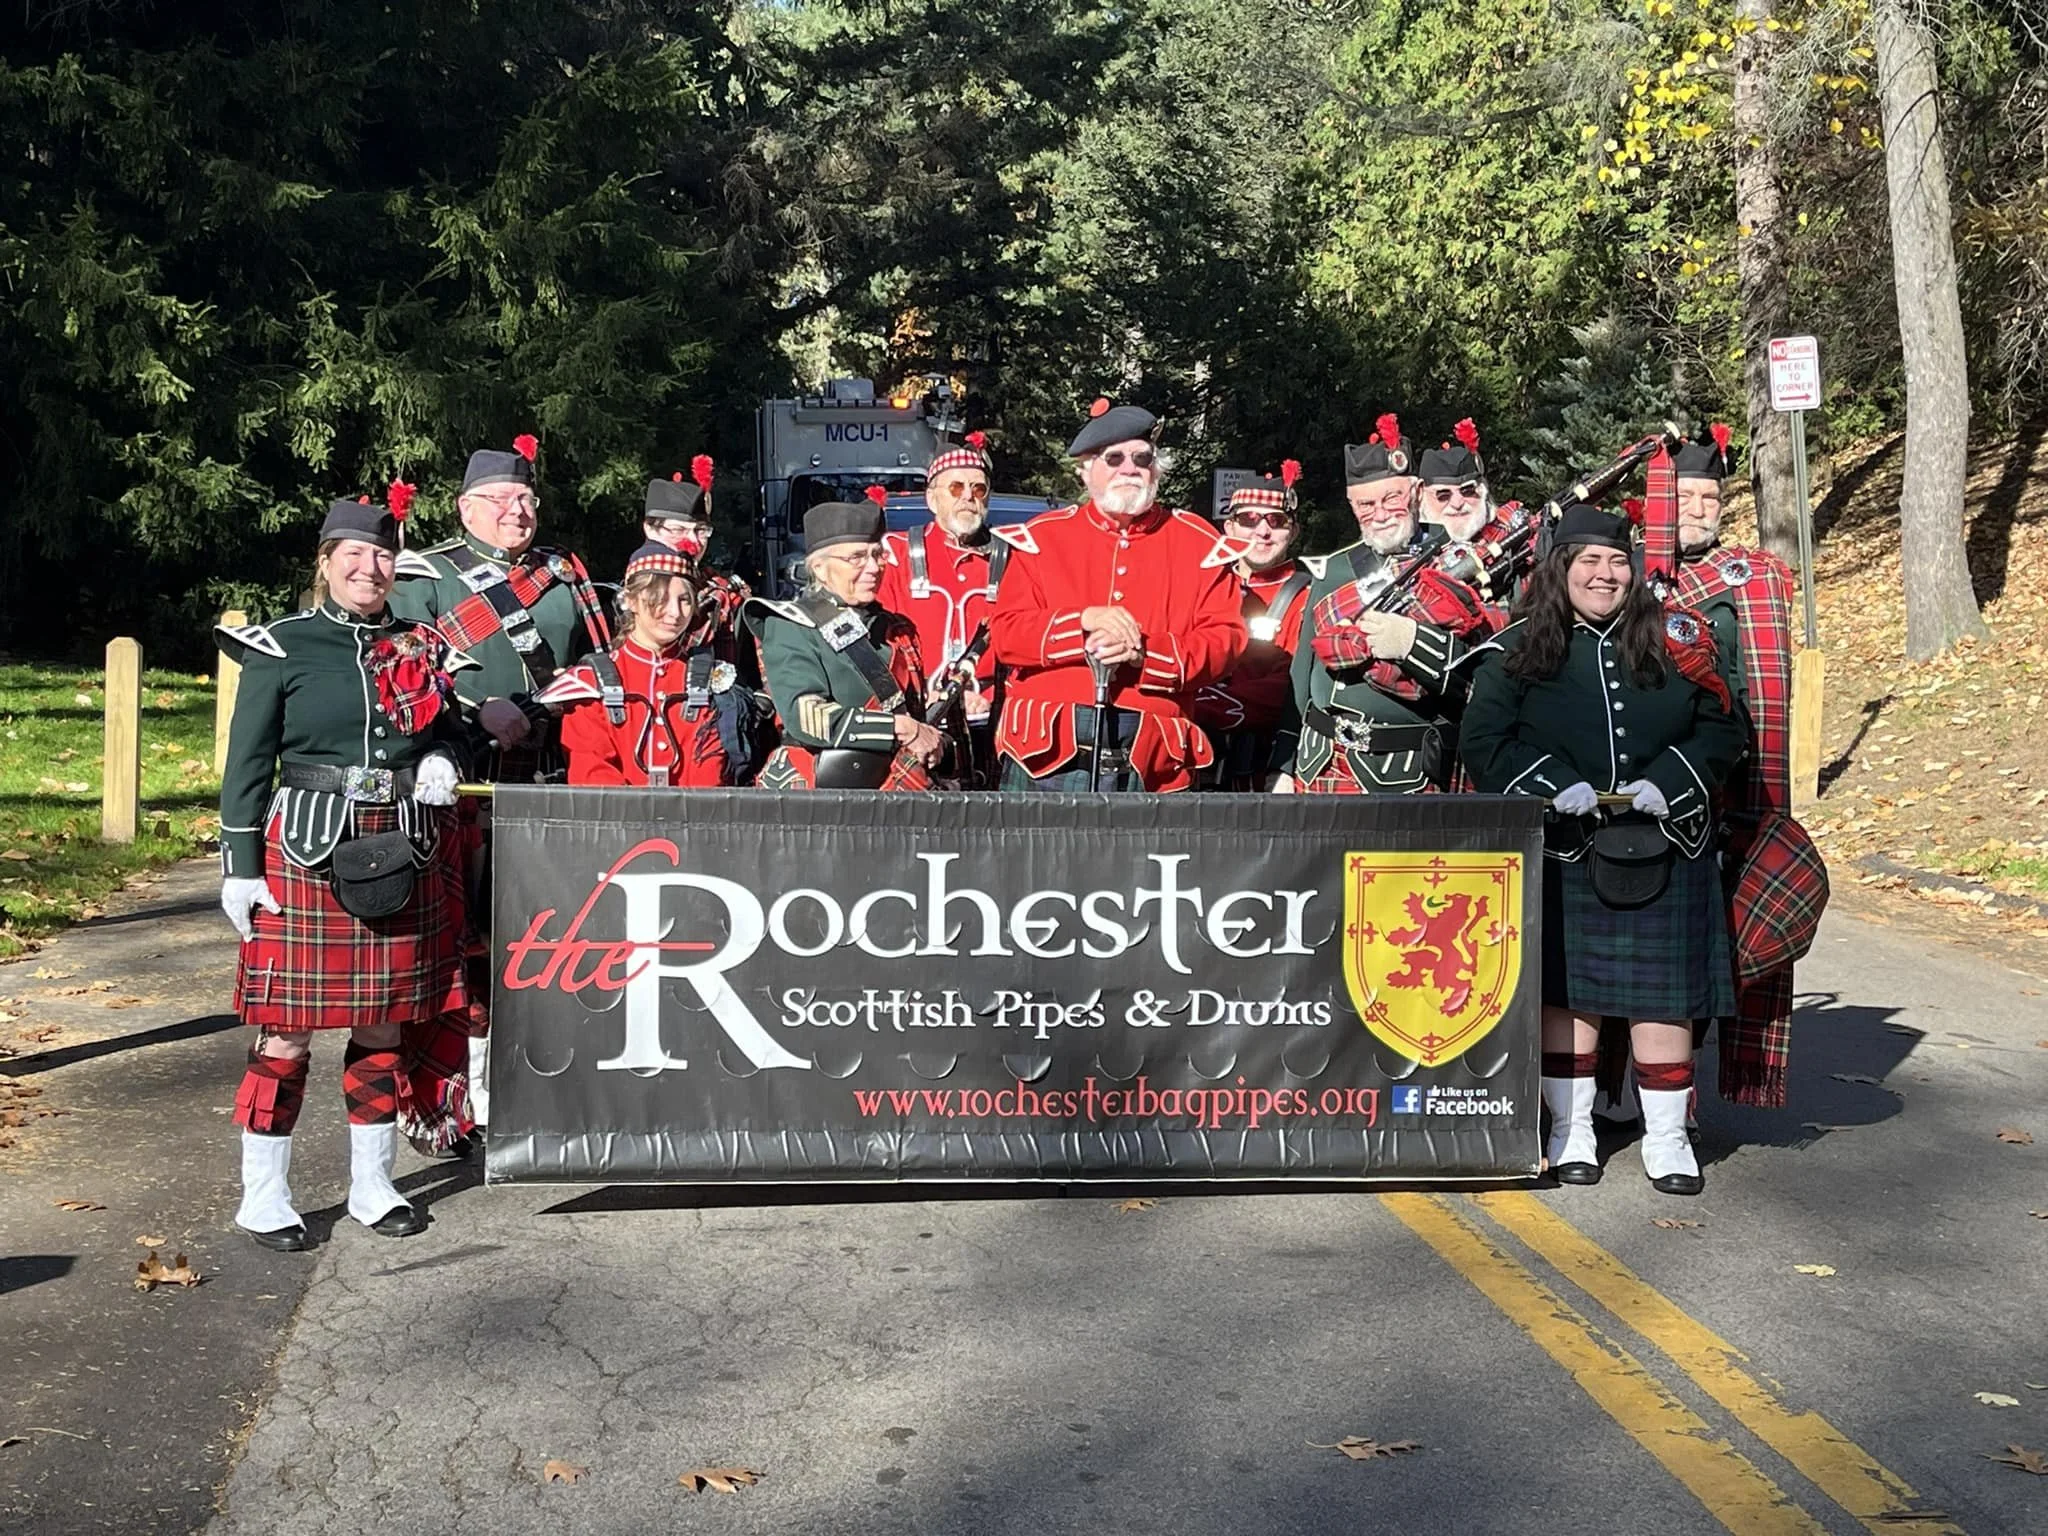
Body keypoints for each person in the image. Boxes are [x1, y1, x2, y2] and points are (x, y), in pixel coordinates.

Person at [1458, 503, 1746, 1195]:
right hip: (1567, 846)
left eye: (1617, 561)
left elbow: (1724, 728)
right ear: (1560, 568)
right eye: (1589, 560)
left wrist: (1672, 783)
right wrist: (1554, 787)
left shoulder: (1677, 637)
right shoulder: (1520, 646)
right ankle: (1570, 1131)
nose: (1604, 573)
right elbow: (1486, 742)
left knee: (1665, 1001)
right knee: (1567, 998)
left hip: (1668, 841)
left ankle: (1669, 1138)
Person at [216, 493, 472, 1249]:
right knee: (286, 1034)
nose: (370, 568)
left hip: (402, 845)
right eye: (353, 555)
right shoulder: (282, 646)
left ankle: (373, 1183)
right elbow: (248, 763)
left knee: (383, 1025)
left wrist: (440, 757)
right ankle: (263, 1195)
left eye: (383, 555)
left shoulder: (423, 644)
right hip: (304, 850)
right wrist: (240, 865)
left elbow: (453, 734)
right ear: (326, 563)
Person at [386, 434, 612, 1152]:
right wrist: (476, 711)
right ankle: (450, 1101)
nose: (519, 512)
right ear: (466, 509)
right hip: (464, 776)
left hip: (551, 774)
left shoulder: (563, 573)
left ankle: (526, 1091)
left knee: (542, 940)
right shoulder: (426, 575)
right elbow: (400, 668)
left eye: (527, 499)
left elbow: (599, 660)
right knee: (464, 945)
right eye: (503, 501)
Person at [1665, 423, 1817, 1111]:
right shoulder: (1618, 576)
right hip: (1641, 787)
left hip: (1723, 790)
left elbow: (1764, 689)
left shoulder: (1747, 579)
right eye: (1684, 496)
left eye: (1708, 497)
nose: (1697, 508)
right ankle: (1623, 1087)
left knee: (1705, 939)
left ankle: (1680, 1093)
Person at [988, 399, 1246, 791]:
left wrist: (1145, 653)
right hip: (1045, 745)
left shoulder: (1200, 544)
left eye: (1142, 458)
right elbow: (1006, 634)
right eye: (1114, 458)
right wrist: (1082, 622)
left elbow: (1224, 642)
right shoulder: (1042, 538)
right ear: (1086, 471)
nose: (1130, 469)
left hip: (1155, 749)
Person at [1278, 413, 1493, 794]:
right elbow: (1300, 678)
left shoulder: (1459, 561)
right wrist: (1282, 765)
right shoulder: (1334, 570)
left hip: (1410, 774)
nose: (1378, 514)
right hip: (1320, 765)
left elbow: (1482, 680)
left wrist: (1413, 643)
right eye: (1365, 504)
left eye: (1391, 499)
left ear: (1414, 493)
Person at [744, 495, 946, 789]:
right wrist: (898, 728)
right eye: (856, 558)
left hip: (898, 786)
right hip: (821, 791)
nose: (874, 567)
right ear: (820, 568)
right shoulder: (791, 624)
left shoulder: (897, 630)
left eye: (877, 554)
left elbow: (913, 714)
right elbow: (805, 715)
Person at [539, 542, 760, 787]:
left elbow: (711, 775)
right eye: (660, 599)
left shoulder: (712, 681)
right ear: (630, 601)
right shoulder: (591, 682)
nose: (675, 613)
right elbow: (591, 774)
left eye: (685, 600)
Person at [878, 432, 1010, 784]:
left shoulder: (1013, 558)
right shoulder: (897, 555)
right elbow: (878, 644)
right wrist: (919, 699)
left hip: (995, 723)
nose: (968, 496)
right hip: (919, 723)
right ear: (931, 498)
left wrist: (985, 696)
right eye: (955, 488)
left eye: (978, 489)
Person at [1190, 462, 1313, 790]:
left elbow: (1296, 682)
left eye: (1276, 521)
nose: (1262, 531)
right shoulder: (1203, 584)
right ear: (1229, 527)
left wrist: (1216, 704)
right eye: (1249, 520)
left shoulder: (1308, 597)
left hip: (1261, 764)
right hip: (1192, 756)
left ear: (1294, 531)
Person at [643, 455, 754, 655]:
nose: (693, 543)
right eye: (678, 530)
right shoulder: (628, 593)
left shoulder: (722, 594)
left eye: (700, 531)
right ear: (650, 530)